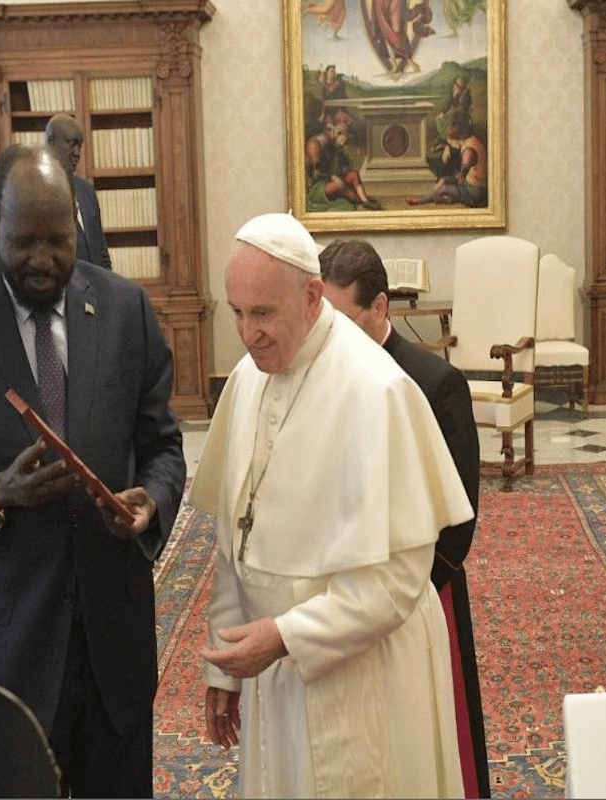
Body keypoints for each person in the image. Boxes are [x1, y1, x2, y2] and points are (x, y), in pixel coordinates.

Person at [0, 143, 185, 797]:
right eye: (25, 242)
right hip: (9, 647)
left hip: (113, 640)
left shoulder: (125, 309)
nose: (44, 259)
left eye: (59, 241)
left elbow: (163, 446)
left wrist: (153, 502)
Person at [192, 213, 472, 798]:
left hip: (360, 672)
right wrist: (226, 660)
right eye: (237, 312)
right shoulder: (246, 379)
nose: (247, 334)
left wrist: (286, 636)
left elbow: (397, 579)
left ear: (312, 296)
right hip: (272, 664)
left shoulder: (375, 388)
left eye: (262, 313)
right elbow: (234, 537)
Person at [319, 237, 490, 798]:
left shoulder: (437, 383)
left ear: (380, 306)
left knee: (428, 742)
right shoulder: (317, 378)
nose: (330, 335)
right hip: (338, 594)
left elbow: (458, 523)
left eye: (343, 320)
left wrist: (400, 594)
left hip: (420, 594)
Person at [45, 113, 113, 270]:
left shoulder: (87, 191)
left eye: (79, 146)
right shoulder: (35, 193)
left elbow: (101, 250)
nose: (77, 153)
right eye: (72, 144)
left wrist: (107, 282)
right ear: (51, 142)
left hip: (95, 283)